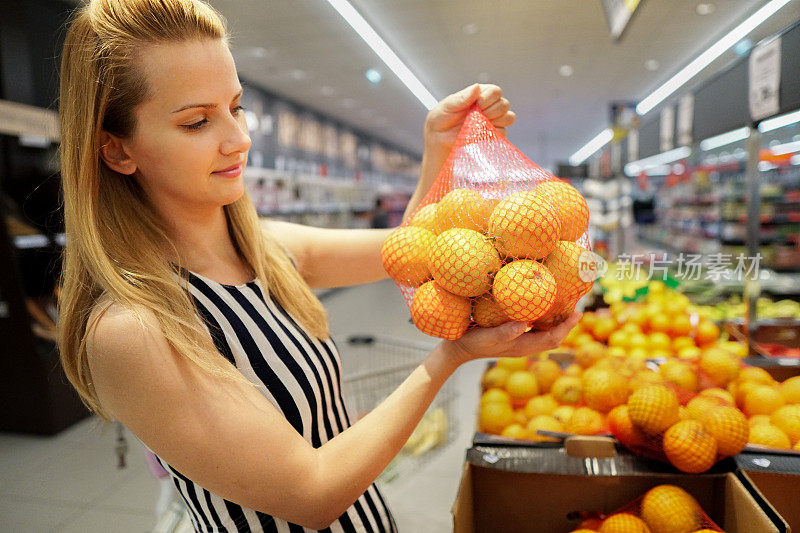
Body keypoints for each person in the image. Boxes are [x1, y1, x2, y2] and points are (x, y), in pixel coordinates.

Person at [57, 1, 581, 531]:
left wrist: (437, 150)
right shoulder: (133, 328)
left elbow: (415, 249)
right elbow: (311, 494)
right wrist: (450, 358)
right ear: (118, 150)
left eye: (236, 108)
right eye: (196, 121)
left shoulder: (270, 252)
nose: (239, 139)